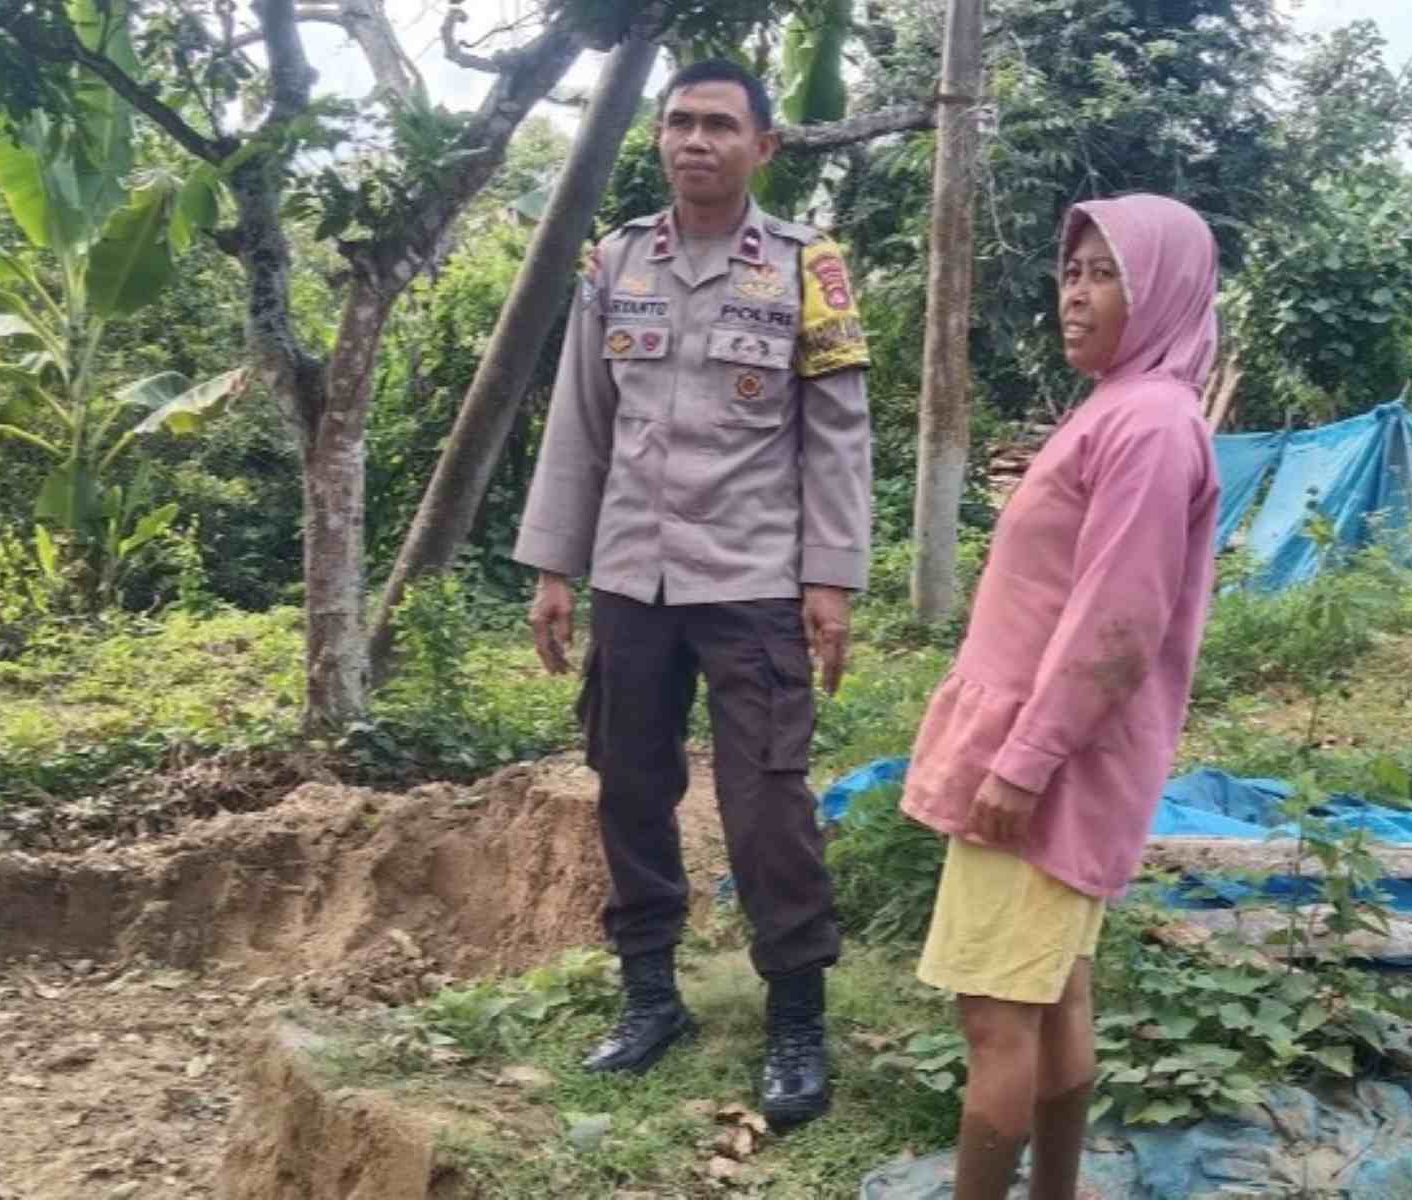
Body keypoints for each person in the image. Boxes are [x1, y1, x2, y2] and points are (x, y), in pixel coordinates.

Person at [513, 58, 872, 1130]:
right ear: (659, 138)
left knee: (766, 804)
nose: (695, 141)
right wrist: (554, 569)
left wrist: (830, 581)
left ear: (763, 146)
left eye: (719, 124)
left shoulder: (808, 267)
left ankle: (795, 1017)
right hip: (632, 576)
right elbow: (580, 420)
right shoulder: (616, 261)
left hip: (753, 580)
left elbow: (838, 435)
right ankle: (650, 997)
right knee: (628, 787)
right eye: (679, 123)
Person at [901, 194, 1222, 1198]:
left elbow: (1116, 623)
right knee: (1052, 997)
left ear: (1162, 289)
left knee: (996, 1020)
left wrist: (1024, 765)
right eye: (1071, 272)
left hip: (1045, 765)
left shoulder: (1149, 425)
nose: (1074, 295)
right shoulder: (1124, 407)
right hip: (1052, 755)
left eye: (1104, 274)